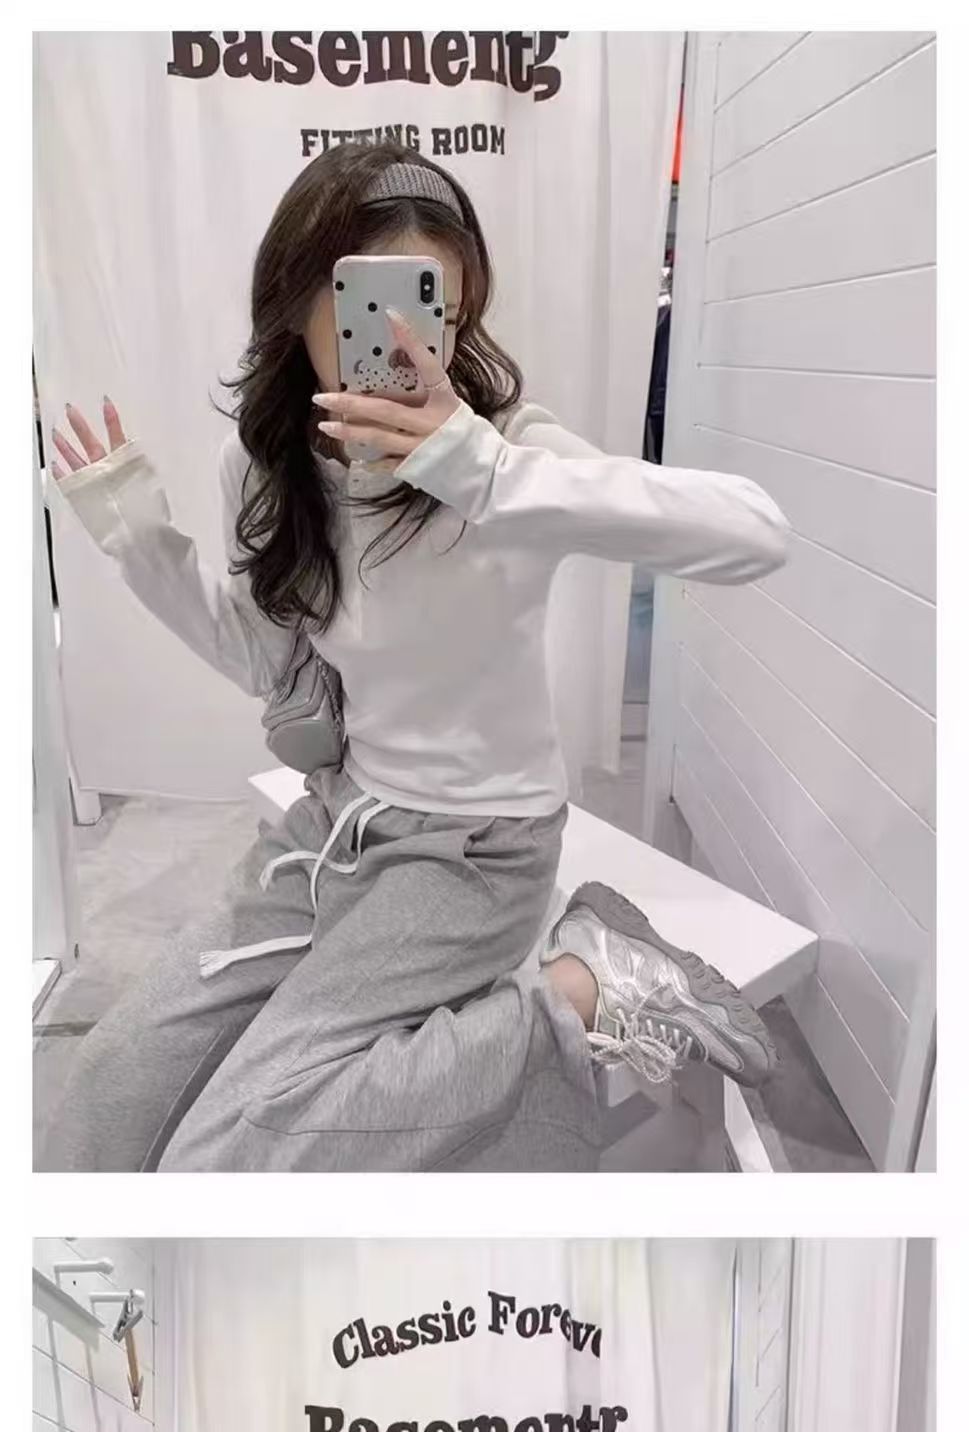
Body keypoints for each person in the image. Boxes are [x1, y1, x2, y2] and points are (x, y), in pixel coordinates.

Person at [41, 143, 789, 1174]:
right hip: (336, 826)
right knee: (108, 1098)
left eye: (424, 300)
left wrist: (480, 470)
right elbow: (265, 662)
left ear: (461, 302)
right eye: (362, 296)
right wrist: (139, 545)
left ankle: (586, 986)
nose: (392, 337)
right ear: (298, 301)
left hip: (480, 853)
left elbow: (754, 535)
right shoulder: (262, 464)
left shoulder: (509, 454)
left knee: (243, 1152)